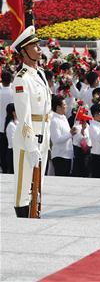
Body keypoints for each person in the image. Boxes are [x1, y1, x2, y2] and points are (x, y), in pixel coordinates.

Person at [9, 26, 51, 218]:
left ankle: (34, 218)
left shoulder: (39, 74)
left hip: (43, 136)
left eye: (37, 44)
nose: (39, 48)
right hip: (29, 140)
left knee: (37, 188)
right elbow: (24, 116)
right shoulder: (21, 79)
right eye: (34, 46)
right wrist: (31, 145)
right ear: (24, 52)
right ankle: (23, 223)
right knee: (24, 188)